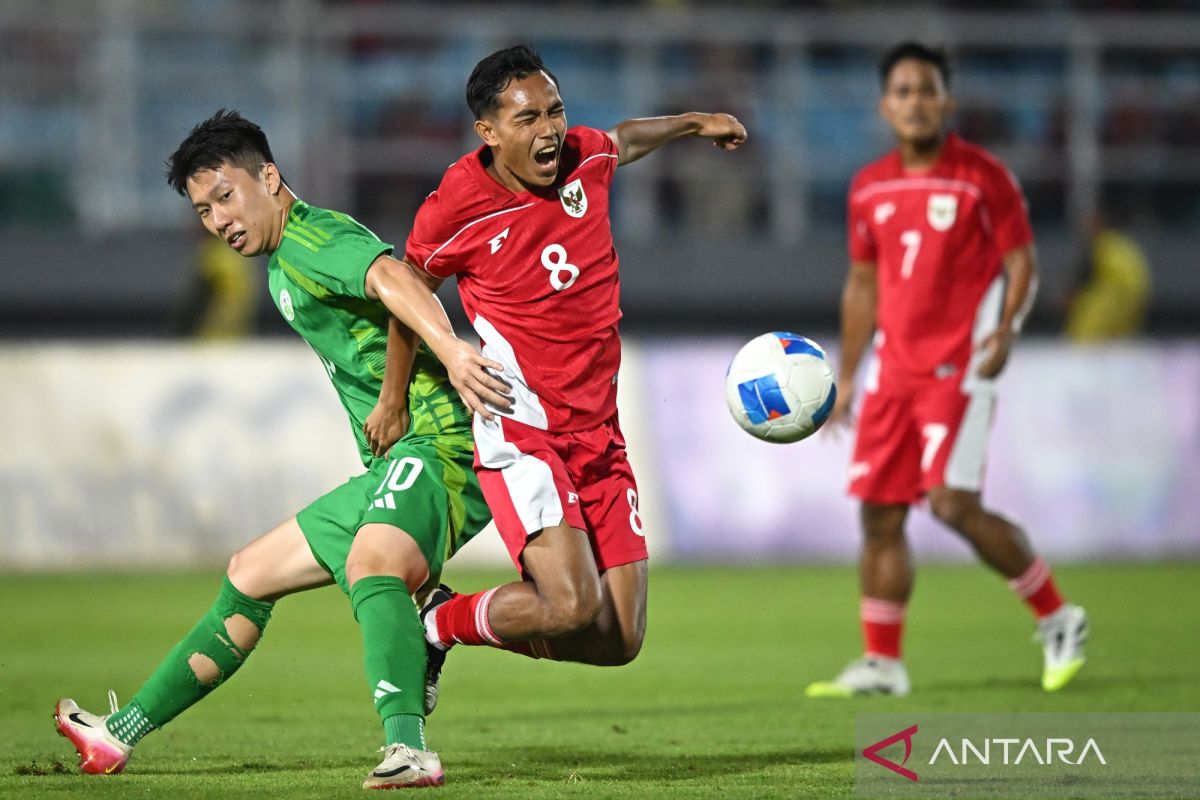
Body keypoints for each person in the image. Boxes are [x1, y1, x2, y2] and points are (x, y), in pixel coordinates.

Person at [53, 110, 502, 789]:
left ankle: (409, 748)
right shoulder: (278, 267)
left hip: (441, 445)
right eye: (204, 210)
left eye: (226, 196)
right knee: (249, 573)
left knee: (373, 562)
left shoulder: (314, 237)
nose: (218, 220)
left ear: (269, 177)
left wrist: (444, 358)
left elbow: (398, 278)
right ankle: (117, 737)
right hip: (398, 460)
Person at [363, 45, 746, 679]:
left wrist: (695, 122)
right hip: (524, 425)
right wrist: (392, 399)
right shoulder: (458, 203)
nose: (549, 131)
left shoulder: (582, 158)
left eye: (555, 111)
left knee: (618, 639)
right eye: (528, 119)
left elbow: (621, 139)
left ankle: (442, 619)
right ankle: (433, 623)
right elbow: (407, 292)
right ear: (488, 132)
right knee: (569, 604)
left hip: (600, 430)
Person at [805, 42, 1088, 698]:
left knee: (950, 502)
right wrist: (848, 376)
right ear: (884, 106)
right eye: (902, 92)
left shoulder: (982, 177)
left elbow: (1022, 262)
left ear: (947, 102)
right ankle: (882, 662)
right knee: (879, 514)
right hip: (892, 372)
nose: (915, 102)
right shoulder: (869, 185)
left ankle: (1058, 617)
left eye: (926, 90)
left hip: (957, 368)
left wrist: (1007, 328)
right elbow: (863, 285)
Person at [1064, 209, 1151, 341]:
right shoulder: (1122, 245)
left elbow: (1085, 276)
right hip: (1135, 298)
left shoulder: (1103, 247)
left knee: (1083, 338)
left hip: (1117, 296)